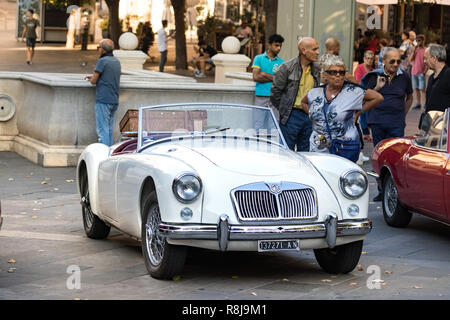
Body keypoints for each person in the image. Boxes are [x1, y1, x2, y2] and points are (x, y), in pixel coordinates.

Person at [301, 55, 383, 160]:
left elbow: (378, 98)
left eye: (341, 72)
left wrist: (359, 112)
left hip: (344, 147)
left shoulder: (352, 91)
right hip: (319, 145)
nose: (338, 75)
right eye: (333, 72)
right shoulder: (315, 92)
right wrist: (313, 115)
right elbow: (304, 102)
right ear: (325, 74)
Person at [361, 47, 413, 201]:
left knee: (395, 157)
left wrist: (403, 113)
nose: (396, 64)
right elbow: (363, 98)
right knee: (380, 157)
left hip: (396, 123)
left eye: (398, 61)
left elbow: (409, 97)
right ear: (383, 60)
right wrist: (377, 88)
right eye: (392, 61)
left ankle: (395, 190)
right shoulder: (373, 76)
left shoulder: (404, 77)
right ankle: (381, 189)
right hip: (378, 122)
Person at [270, 37, 321, 151]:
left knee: (307, 152)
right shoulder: (287, 67)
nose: (318, 52)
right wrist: (285, 110)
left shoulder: (317, 68)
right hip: (291, 115)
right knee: (286, 151)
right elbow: (275, 93)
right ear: (303, 50)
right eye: (314, 49)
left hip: (310, 114)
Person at [85, 39, 122, 147]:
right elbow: (108, 77)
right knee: (109, 130)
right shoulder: (116, 61)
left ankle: (103, 154)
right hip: (114, 99)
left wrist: (90, 79)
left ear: (103, 49)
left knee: (102, 131)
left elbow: (94, 81)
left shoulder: (102, 61)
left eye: (99, 47)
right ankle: (109, 152)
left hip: (103, 99)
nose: (98, 49)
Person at [252, 34, 285, 130]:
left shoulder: (282, 62)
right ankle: (257, 144)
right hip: (260, 95)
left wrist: (264, 75)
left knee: (274, 125)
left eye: (280, 46)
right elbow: (255, 77)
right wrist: (274, 77)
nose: (279, 48)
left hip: (275, 97)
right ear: (269, 45)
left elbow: (281, 81)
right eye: (276, 45)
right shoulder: (258, 58)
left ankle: (272, 145)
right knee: (258, 124)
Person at [423, 44, 450, 113]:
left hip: (444, 122)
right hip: (431, 121)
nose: (424, 61)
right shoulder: (431, 77)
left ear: (434, 58)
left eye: (426, 58)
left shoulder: (448, 74)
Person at [410, 35, 427, 110]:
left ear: (423, 41)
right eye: (417, 40)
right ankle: (418, 103)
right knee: (416, 88)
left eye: (420, 40)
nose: (418, 42)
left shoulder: (426, 50)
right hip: (414, 71)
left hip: (421, 72)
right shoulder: (415, 50)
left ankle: (425, 104)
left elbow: (427, 62)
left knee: (422, 90)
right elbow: (410, 59)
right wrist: (414, 50)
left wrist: (425, 71)